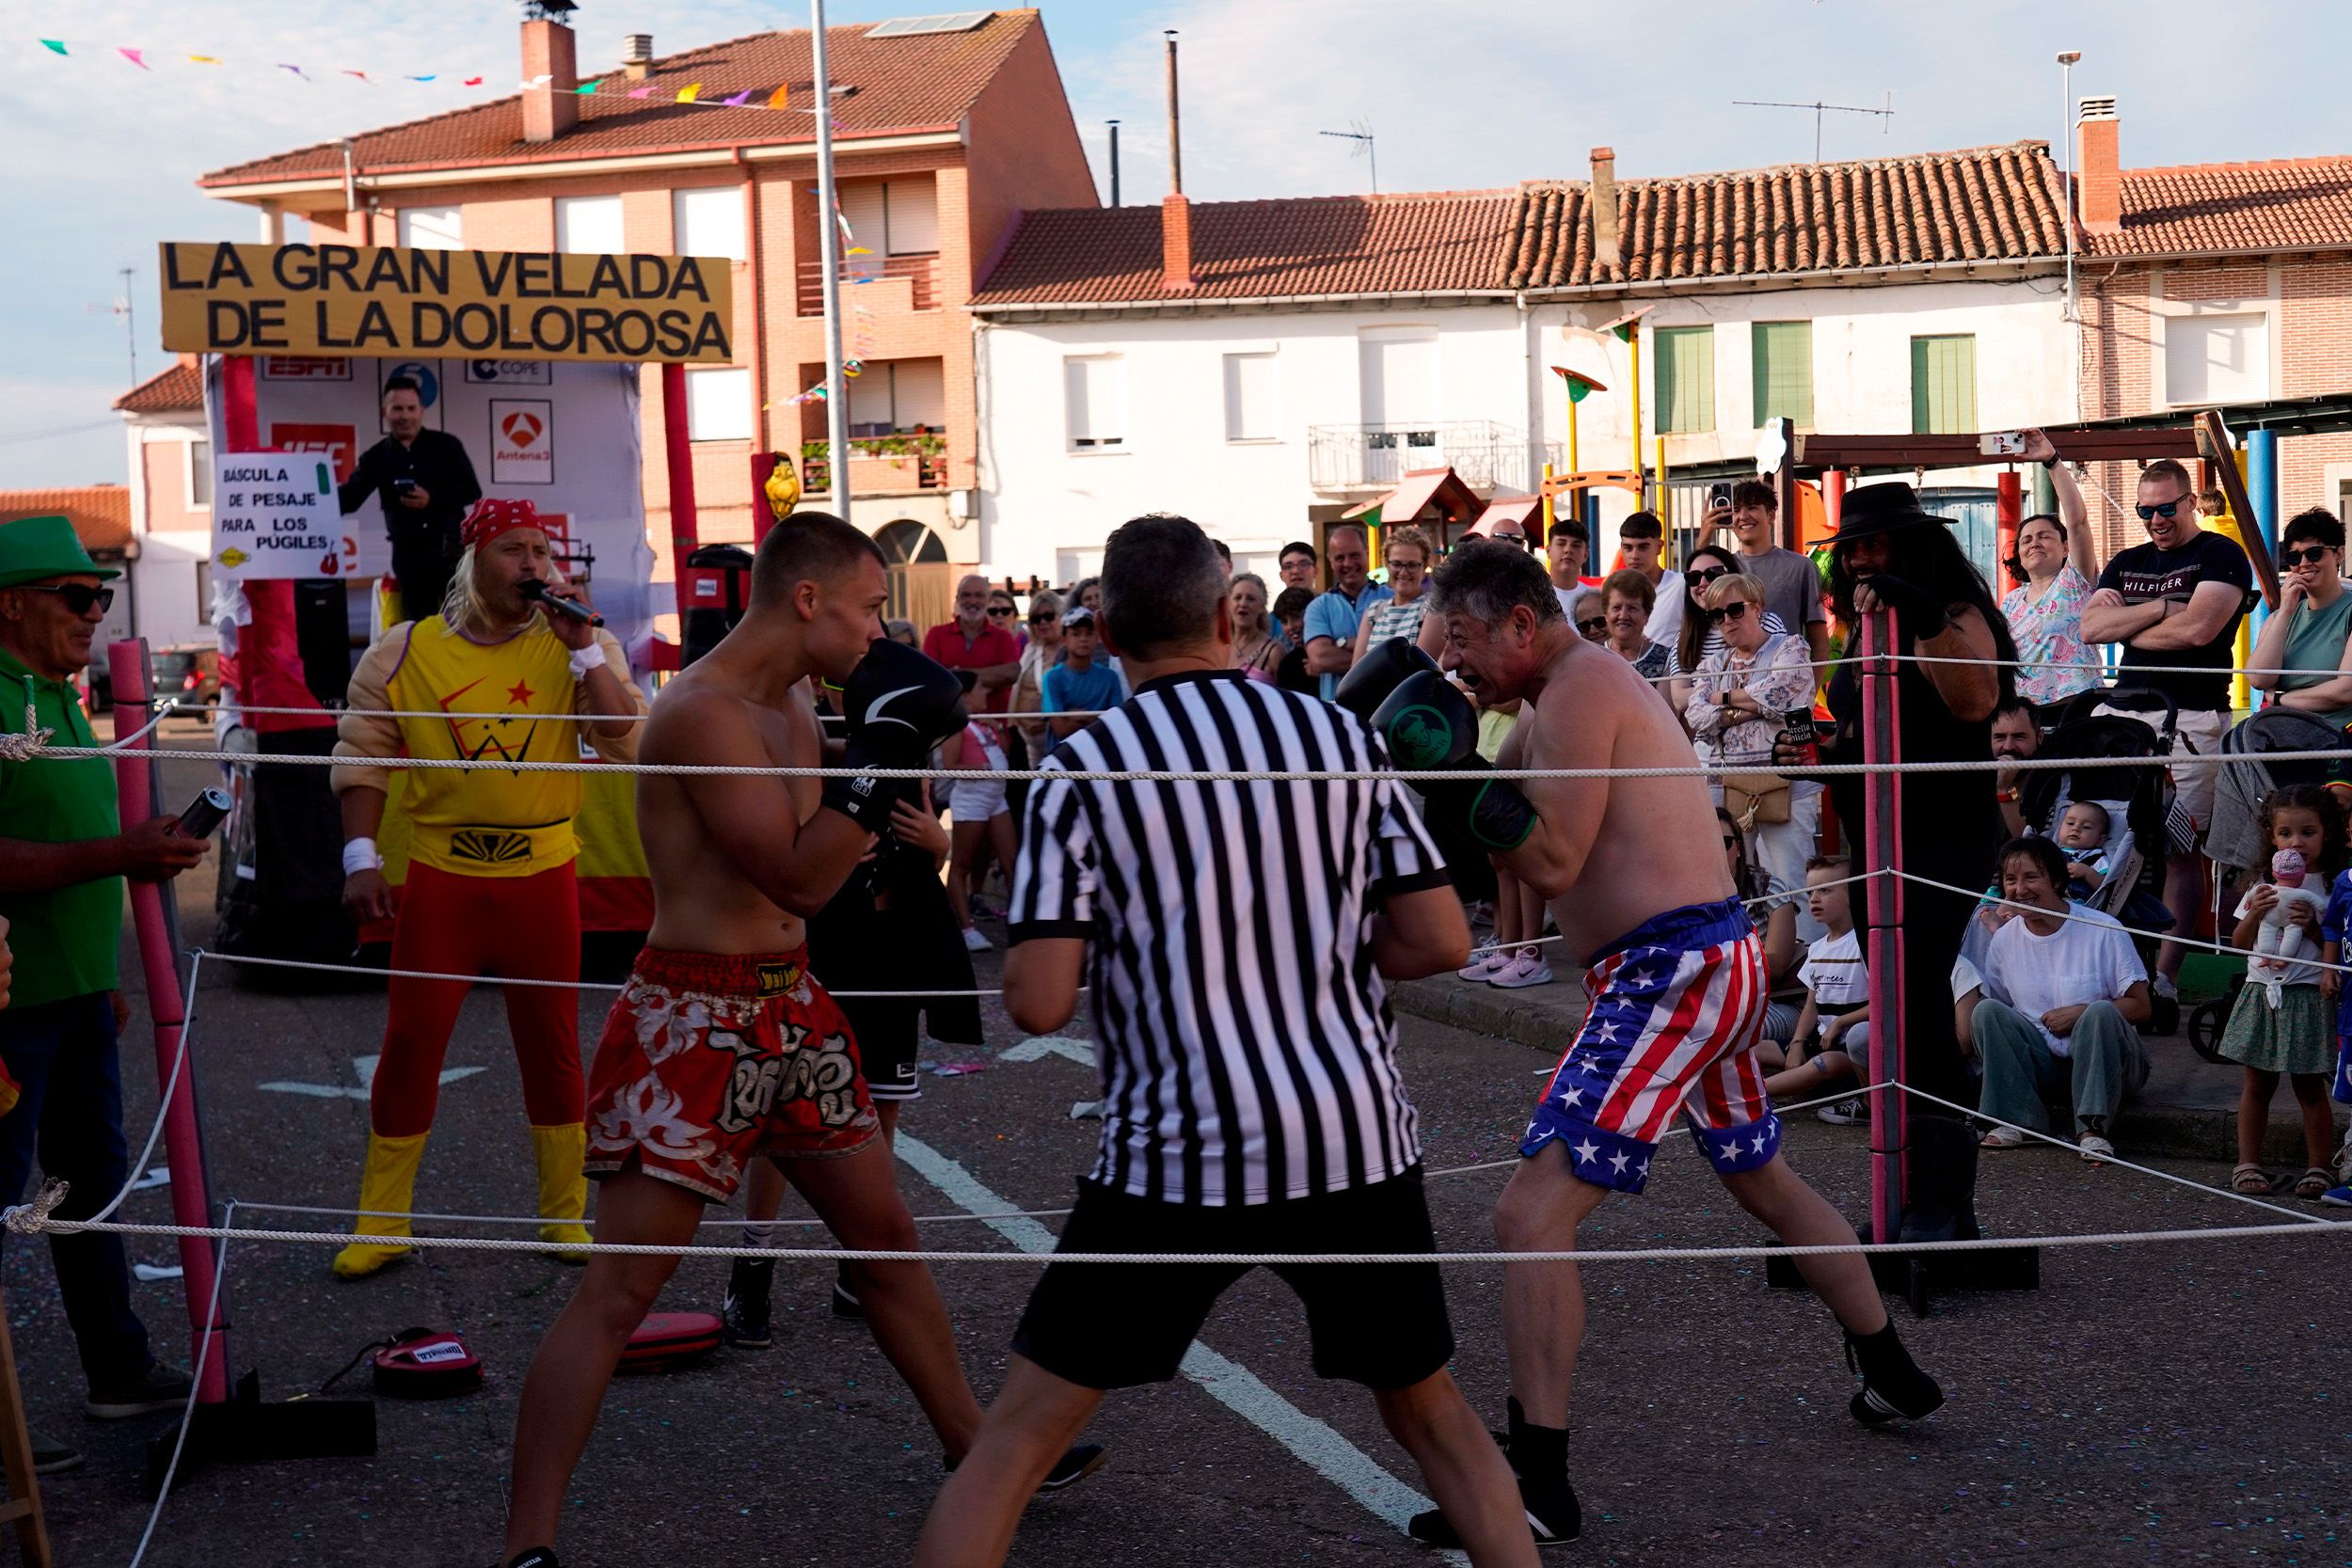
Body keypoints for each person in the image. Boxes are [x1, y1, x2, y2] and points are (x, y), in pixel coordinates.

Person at [914, 515, 1536, 1568]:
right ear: (1223, 613)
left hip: (1174, 1150)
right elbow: (1434, 937)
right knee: (1433, 1415)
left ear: (1104, 631)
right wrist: (1310, 950)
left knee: (1016, 1439)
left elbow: (1039, 1002)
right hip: (1348, 1132)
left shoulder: (1084, 770)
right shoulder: (1336, 736)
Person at [499, 515, 1100, 1568]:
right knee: (623, 1290)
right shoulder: (701, 712)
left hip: (791, 1000)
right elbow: (797, 874)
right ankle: (525, 1543)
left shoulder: (785, 703)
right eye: (871, 608)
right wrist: (880, 754)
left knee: (887, 1243)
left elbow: (825, 831)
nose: (879, 632)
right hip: (695, 1011)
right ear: (809, 599)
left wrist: (877, 752)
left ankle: (978, 1449)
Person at [1356, 539, 1942, 1550]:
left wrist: (1445, 774)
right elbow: (1484, 826)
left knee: (1529, 1213)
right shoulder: (1551, 697)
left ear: (1520, 624)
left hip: (1669, 969)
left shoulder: (1581, 687)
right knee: (1762, 1180)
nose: (1456, 670)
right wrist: (1419, 770)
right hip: (1702, 958)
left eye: (1464, 646)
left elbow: (1550, 854)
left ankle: (1538, 1480)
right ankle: (1888, 1363)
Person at [329, 498, 646, 1280]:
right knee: (409, 1044)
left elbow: (626, 739)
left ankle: (563, 1216)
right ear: (475, 563)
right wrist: (361, 858)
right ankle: (381, 1222)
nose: (534, 563)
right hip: (444, 876)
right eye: (513, 549)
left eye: (542, 548)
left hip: (542, 875)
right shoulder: (405, 651)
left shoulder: (582, 642)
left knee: (553, 1046)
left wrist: (584, 654)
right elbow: (362, 752)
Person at [0, 515, 200, 1473]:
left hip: (75, 992)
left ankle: (117, 1369)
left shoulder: (57, 693)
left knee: (91, 1189)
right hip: (6, 1000)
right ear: (12, 603)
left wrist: (103, 976)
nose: (95, 611)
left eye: (101, 596)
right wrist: (121, 852)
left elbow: (68, 835)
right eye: (77, 597)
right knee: (1, 1203)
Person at [1806, 483, 2014, 1237]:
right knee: (1896, 1008)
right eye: (1852, 548)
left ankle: (1944, 1199)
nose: (1861, 559)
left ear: (1914, 547)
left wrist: (1918, 610)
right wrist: (1818, 753)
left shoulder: (1954, 611)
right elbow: (1861, 736)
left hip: (1940, 834)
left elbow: (1973, 700)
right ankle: (1901, 1195)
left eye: (1876, 544)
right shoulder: (1860, 625)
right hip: (1876, 838)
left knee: (1922, 1003)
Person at [726, 759, 977, 1342]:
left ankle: (856, 1270)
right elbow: (785, 854)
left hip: (895, 945)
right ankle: (753, 1270)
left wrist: (938, 843)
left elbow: (925, 852)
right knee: (781, 1113)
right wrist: (828, 847)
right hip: (825, 942)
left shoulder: (907, 747)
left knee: (880, 1109)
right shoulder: (806, 735)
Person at [2079, 457, 2255, 1003]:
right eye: (2144, 510)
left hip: (2192, 719)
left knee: (2181, 847)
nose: (2155, 519)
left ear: (2189, 503)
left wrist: (2130, 623)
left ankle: (2167, 978)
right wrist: (2161, 607)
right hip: (2122, 719)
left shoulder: (2222, 554)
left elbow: (2200, 631)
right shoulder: (2127, 561)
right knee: (2098, 832)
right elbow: (2090, 628)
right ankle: (2101, 965)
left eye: (2165, 508)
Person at [1974, 836, 2152, 1164]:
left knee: (2099, 1012)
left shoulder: (2102, 928)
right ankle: (2018, 1120)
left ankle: (2092, 1130)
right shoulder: (2004, 941)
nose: (2020, 889)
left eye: (2031, 877)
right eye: (2011, 881)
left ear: (2056, 879)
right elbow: (2001, 1013)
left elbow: (2141, 1006)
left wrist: (2080, 1014)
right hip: (2048, 1068)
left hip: (2113, 1065)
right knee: (1986, 1011)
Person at [2218, 785, 2343, 1200]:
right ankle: (2247, 1162)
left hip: (2306, 994)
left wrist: (2311, 925)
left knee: (2309, 1086)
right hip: (2262, 991)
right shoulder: (2261, 883)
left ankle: (2319, 1168)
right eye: (2286, 833)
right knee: (2258, 1083)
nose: (2296, 842)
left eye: (2308, 832)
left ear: (2328, 834)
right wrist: (2254, 912)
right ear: (2271, 837)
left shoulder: (2332, 885)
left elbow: (2337, 942)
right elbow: (2238, 942)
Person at [1685, 574, 1819, 917]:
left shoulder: (1791, 647)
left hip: (1786, 781)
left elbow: (1785, 696)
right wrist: (1750, 708)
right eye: (1717, 615)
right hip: (1727, 787)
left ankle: (1802, 965)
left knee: (1792, 885)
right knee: (1735, 883)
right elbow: (1697, 715)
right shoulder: (1713, 663)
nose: (1726, 621)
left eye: (1735, 610)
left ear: (1757, 607)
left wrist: (1723, 699)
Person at [927, 575, 1024, 952]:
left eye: (978, 595)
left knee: (1008, 856)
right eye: (966, 595)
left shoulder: (1000, 636)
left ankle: (1014, 922)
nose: (972, 601)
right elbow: (930, 679)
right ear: (957, 598)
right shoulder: (938, 634)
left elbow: (1012, 672)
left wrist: (957, 679)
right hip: (971, 784)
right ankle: (961, 926)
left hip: (993, 776)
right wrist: (976, 681)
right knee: (960, 859)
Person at [338, 375, 484, 623]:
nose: (404, 416)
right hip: (409, 556)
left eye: (410, 408)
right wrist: (307, 501)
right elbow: (349, 499)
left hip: (452, 551)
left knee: (464, 623)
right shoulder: (376, 457)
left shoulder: (447, 446)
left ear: (421, 410)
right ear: (385, 412)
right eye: (397, 409)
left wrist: (433, 499)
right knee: (417, 627)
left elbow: (472, 491)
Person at [1996, 431, 2102, 718]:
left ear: (2065, 547)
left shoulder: (2075, 580)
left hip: (2076, 707)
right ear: (2018, 552)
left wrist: (2053, 462)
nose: (2034, 543)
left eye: (2044, 536)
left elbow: (2078, 522)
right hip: (2025, 714)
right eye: (2026, 540)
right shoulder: (2011, 602)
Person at [1761, 858, 1872, 1125]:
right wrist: (1797, 1043)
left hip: (1851, 1050)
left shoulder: (1864, 944)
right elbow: (1812, 1004)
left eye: (1825, 890)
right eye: (1810, 892)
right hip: (1820, 1040)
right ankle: (1705, 1085)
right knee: (1751, 1047)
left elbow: (1883, 1002)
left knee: (1823, 1065)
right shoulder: (1817, 948)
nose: (1814, 899)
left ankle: (1748, 1098)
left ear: (1852, 894)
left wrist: (1843, 1022)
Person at [2248, 507, 2352, 732]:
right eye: (2294, 557)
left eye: (2314, 553)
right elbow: (2258, 679)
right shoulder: (2281, 617)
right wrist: (2285, 612)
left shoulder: (2349, 612)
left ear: (2339, 555)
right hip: (2281, 738)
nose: (2303, 563)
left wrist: (2280, 700)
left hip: (2336, 741)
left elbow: (2345, 691)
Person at [1711, 480, 1829, 666]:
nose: (1743, 516)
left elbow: (1820, 642)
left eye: (1751, 507)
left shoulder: (1801, 567)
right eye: (1736, 510)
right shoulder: (1719, 569)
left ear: (1771, 515)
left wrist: (1806, 689)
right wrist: (1705, 534)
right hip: (1732, 684)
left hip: (1785, 678)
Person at [1666, 544, 1789, 716]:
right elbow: (1679, 700)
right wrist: (1739, 694)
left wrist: (1710, 692)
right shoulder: (1685, 637)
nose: (1702, 583)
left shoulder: (1766, 622)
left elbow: (1777, 689)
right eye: (1694, 577)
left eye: (1712, 574)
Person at [1302, 524, 1391, 700]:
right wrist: (1382, 658)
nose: (1348, 563)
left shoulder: (1392, 599)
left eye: (1354, 555)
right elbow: (1320, 659)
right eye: (1340, 558)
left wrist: (1340, 644)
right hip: (1337, 713)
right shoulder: (1318, 607)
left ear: (1367, 553)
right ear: (1330, 560)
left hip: (1385, 711)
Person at [1041, 606, 1125, 752]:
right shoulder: (1052, 678)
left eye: (1089, 633)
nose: (1083, 639)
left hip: (1100, 753)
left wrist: (1076, 717)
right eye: (1076, 634)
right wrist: (1097, 718)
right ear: (1064, 639)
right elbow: (1061, 730)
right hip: (1064, 756)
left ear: (1097, 637)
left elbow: (1115, 725)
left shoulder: (1110, 677)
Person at [1353, 525, 1435, 665]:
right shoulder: (1374, 612)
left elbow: (1418, 670)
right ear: (1386, 563)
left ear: (1425, 565)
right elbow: (1355, 673)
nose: (1403, 572)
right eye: (1396, 564)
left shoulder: (1432, 610)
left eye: (1412, 565)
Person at [1008, 590, 1064, 762]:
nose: (1043, 623)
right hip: (1029, 741)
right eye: (1036, 619)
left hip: (1058, 738)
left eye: (1048, 616)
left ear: (1061, 616)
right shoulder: (1031, 650)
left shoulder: (1071, 652)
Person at [1618, 510, 1682, 646]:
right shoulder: (1615, 593)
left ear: (1659, 547)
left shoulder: (1681, 585)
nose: (1634, 556)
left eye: (1643, 547)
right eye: (1628, 548)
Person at [1598, 569, 1671, 683]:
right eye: (1616, 608)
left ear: (1646, 614)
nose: (1623, 616)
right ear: (1606, 613)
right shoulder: (1594, 657)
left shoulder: (1666, 658)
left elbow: (1663, 701)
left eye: (1632, 608)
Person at [1989, 696, 2042, 839]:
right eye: (2000, 737)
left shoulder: (2050, 780)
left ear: (2039, 737)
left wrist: (2004, 790)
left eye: (2019, 737)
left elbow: (2029, 846)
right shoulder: (1974, 771)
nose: (2008, 747)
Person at [1229, 573, 1283, 681]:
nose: (1243, 604)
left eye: (1251, 599)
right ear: (1228, 604)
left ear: (1262, 607)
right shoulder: (1219, 648)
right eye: (1237, 598)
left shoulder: (1274, 652)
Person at [2054, 800, 2114, 896]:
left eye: (2086, 827)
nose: (2076, 828)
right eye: (2070, 823)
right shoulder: (2050, 851)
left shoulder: (2097, 858)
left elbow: (2105, 888)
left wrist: (2087, 873)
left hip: (2077, 903)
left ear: (2100, 840)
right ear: (2059, 829)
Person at [1271, 586, 1317, 696]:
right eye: (1284, 621)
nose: (1290, 627)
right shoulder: (1288, 665)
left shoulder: (1332, 649)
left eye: (1296, 617)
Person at [1545, 515, 1590, 611]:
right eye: (1561, 544)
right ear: (1548, 551)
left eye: (1576, 545)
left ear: (1586, 555)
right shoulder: (1532, 596)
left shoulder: (1593, 599)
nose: (1568, 550)